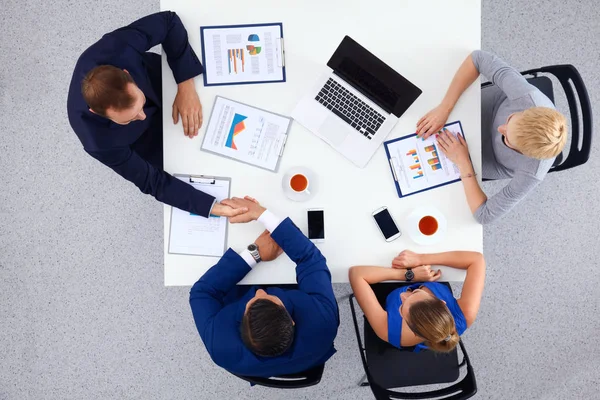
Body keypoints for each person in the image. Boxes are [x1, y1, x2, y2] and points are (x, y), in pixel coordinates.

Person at [67, 12, 245, 219]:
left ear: (127, 74)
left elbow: (169, 22)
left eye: (139, 105)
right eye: (130, 119)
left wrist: (185, 86)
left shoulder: (117, 47)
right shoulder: (97, 141)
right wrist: (213, 207)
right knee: (204, 168)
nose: (142, 116)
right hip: (147, 141)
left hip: (164, 87)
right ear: (96, 114)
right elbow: (152, 181)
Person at [189, 196, 339, 377]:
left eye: (253, 300)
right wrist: (260, 214)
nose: (260, 291)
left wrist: (254, 253)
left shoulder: (219, 345)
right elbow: (310, 259)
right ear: (292, 321)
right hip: (307, 353)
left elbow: (202, 292)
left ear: (241, 321)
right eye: (267, 297)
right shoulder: (323, 323)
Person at [416, 50, 568, 224]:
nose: (500, 128)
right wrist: (445, 108)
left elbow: (484, 215)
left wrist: (464, 162)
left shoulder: (532, 172)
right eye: (510, 119)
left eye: (508, 139)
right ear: (527, 110)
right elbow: (478, 58)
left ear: (523, 153)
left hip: (485, 159)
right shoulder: (528, 97)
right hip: (483, 109)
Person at [349, 250, 485, 352]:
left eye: (402, 308)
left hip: (390, 285)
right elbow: (477, 260)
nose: (403, 295)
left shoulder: (388, 330)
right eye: (415, 292)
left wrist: (409, 275)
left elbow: (356, 274)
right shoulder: (465, 314)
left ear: (413, 331)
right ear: (442, 302)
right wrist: (419, 258)